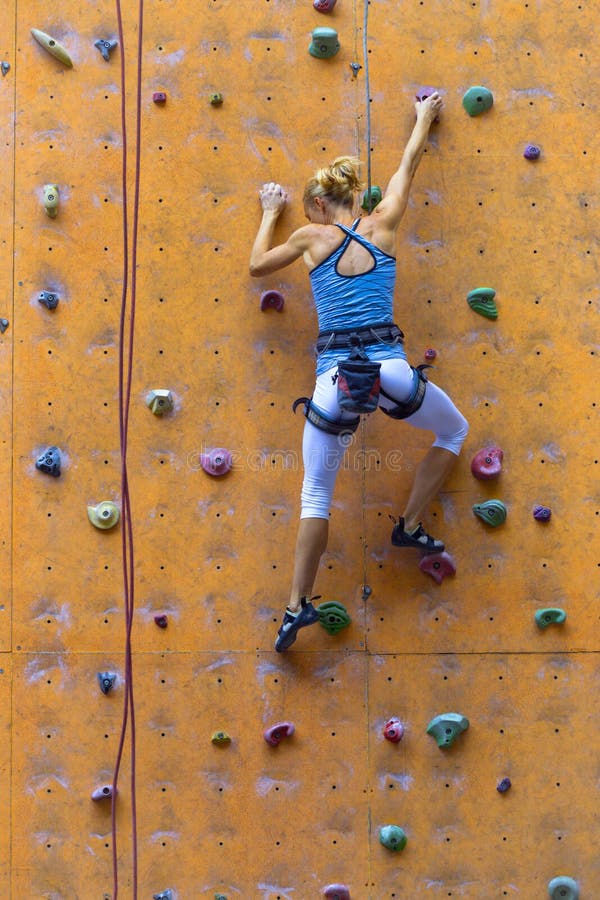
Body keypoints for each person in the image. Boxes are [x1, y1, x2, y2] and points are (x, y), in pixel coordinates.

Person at [249, 92, 468, 652]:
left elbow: (255, 267)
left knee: (315, 495)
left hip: (333, 377)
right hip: (389, 368)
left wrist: (272, 212)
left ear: (321, 203)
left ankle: (296, 606)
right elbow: (407, 165)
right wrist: (423, 117)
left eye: (305, 206)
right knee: (455, 431)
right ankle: (410, 525)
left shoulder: (309, 240)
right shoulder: (384, 223)